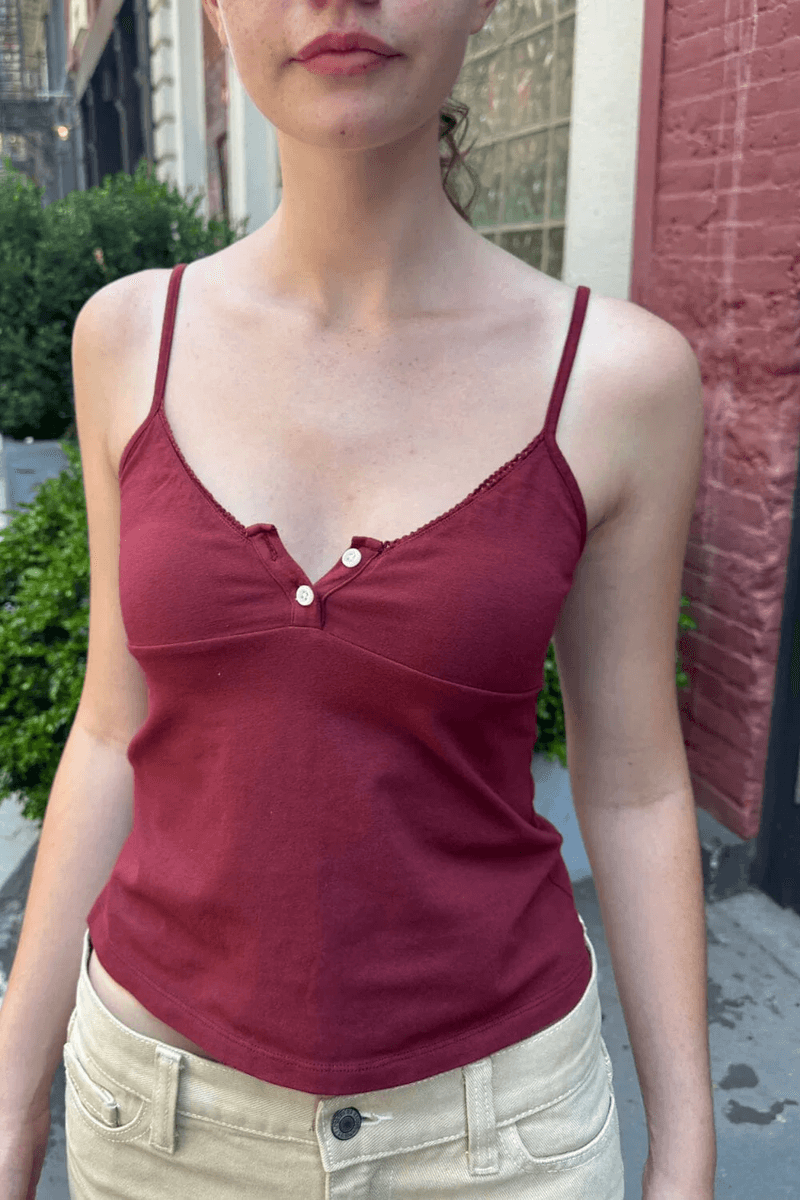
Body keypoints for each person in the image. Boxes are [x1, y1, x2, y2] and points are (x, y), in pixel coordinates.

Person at [0, 1, 717, 1197]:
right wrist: (14, 1107)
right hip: (155, 1122)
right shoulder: (128, 340)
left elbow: (634, 783)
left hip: (501, 1142)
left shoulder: (617, 381)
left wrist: (686, 1150)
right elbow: (112, 730)